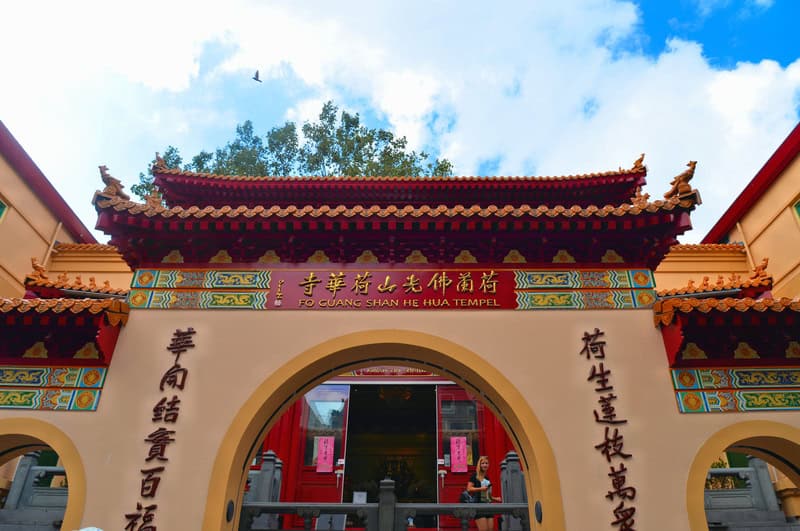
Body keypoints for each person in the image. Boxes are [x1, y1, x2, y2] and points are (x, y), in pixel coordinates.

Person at [467, 455, 502, 531]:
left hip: (488, 506)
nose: (485, 465)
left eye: (486, 463)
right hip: (479, 506)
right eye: (483, 463)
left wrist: (495, 498)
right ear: (479, 465)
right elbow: (469, 489)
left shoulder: (487, 478)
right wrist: (481, 488)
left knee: (490, 529)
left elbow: (486, 495)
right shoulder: (474, 476)